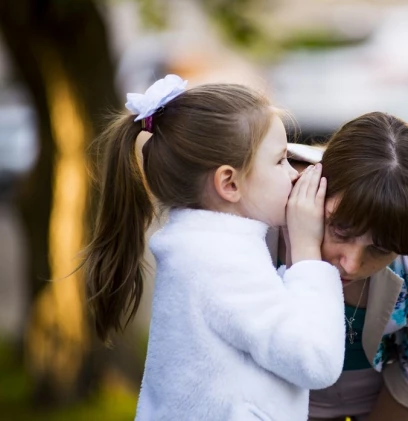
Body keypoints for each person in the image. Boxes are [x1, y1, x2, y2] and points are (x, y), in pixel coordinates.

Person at [82, 75, 346, 421]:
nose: (294, 174)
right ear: (229, 183)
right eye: (280, 160)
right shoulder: (222, 264)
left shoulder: (203, 250)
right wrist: (308, 252)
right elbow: (315, 361)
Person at [285, 112, 408, 421]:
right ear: (320, 186)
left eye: (380, 249)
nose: (350, 263)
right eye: (340, 230)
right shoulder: (267, 199)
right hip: (287, 392)